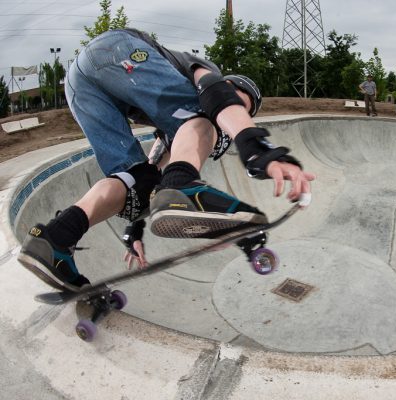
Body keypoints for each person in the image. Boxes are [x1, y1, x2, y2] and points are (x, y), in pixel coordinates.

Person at [17, 28, 316, 291]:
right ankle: (184, 183)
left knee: (136, 180)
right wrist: (258, 149)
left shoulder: (175, 130)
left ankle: (55, 239)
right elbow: (215, 97)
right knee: (203, 112)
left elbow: (154, 177)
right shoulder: (206, 74)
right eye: (238, 103)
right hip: (117, 49)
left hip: (80, 85)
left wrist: (134, 228)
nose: (234, 114)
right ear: (230, 88)